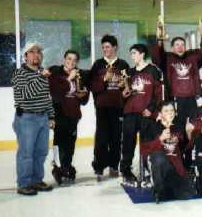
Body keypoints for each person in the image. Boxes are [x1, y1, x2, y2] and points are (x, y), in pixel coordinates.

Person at [151, 20, 202, 170]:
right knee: (177, 130)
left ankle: (188, 157)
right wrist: (159, 39)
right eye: (177, 45)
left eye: (182, 44)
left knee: (190, 129)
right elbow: (156, 56)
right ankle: (176, 157)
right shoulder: (168, 58)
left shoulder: (192, 57)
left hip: (191, 100)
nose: (180, 47)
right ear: (172, 47)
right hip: (176, 101)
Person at [12, 43, 54, 195]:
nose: (36, 55)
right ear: (26, 56)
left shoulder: (43, 72)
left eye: (39, 52)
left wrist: (51, 115)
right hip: (26, 119)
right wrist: (39, 76)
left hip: (42, 117)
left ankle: (36, 181)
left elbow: (46, 96)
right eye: (32, 52)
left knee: (41, 152)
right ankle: (23, 184)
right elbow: (24, 95)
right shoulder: (19, 73)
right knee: (26, 153)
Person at [119, 44, 163, 185]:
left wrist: (151, 108)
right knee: (127, 144)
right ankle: (126, 171)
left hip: (146, 113)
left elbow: (158, 93)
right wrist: (124, 94)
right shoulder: (129, 72)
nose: (132, 56)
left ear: (142, 54)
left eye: (134, 53)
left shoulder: (153, 70)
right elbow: (125, 95)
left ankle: (147, 170)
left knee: (147, 143)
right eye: (131, 54)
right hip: (130, 113)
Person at [89, 34, 130, 180]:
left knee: (116, 138)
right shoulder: (98, 64)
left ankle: (113, 165)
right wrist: (103, 79)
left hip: (118, 107)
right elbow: (92, 86)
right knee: (101, 138)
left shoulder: (123, 65)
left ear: (115, 47)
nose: (105, 50)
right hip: (102, 108)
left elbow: (128, 86)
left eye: (107, 47)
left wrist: (124, 87)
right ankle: (99, 167)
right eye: (103, 47)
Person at [140, 101, 195, 203]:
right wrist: (160, 139)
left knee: (186, 194)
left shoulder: (178, 126)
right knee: (158, 157)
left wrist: (189, 133)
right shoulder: (152, 126)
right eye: (166, 111)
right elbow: (144, 149)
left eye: (172, 110)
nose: (170, 113)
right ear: (160, 114)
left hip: (174, 164)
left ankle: (168, 186)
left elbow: (185, 148)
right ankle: (157, 189)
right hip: (158, 163)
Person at [49, 50, 89, 185]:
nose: (71, 62)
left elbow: (84, 99)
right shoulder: (56, 72)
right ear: (64, 59)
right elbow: (55, 93)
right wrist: (69, 78)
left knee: (70, 144)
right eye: (69, 59)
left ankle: (67, 166)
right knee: (59, 143)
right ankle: (57, 168)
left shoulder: (79, 74)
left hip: (73, 115)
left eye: (74, 60)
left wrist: (83, 95)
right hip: (60, 114)